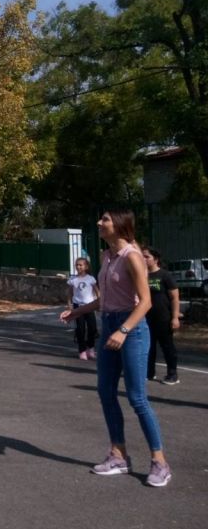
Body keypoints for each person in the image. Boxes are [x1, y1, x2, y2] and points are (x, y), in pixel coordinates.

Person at [59, 209, 172, 487]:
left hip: (131, 329)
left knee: (137, 398)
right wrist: (76, 312)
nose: (99, 223)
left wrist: (124, 330)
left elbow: (145, 301)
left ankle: (160, 462)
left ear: (120, 225)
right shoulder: (106, 256)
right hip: (110, 323)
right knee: (105, 392)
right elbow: (105, 299)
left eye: (105, 219)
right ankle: (118, 455)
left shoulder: (132, 256)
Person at [142, 247, 180, 385]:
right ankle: (149, 372)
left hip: (163, 317)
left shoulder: (164, 275)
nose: (144, 259)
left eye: (147, 257)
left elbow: (175, 298)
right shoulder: (142, 275)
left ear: (156, 259)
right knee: (148, 346)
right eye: (142, 256)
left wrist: (175, 317)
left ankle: (172, 374)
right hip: (146, 317)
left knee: (167, 346)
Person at [66, 257, 99, 360]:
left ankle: (91, 348)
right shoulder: (73, 280)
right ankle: (82, 350)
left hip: (89, 306)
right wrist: (70, 305)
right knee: (80, 329)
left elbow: (97, 292)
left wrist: (99, 303)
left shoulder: (91, 279)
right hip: (78, 307)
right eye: (77, 265)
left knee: (92, 328)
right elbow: (69, 294)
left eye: (81, 265)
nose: (78, 267)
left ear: (86, 266)